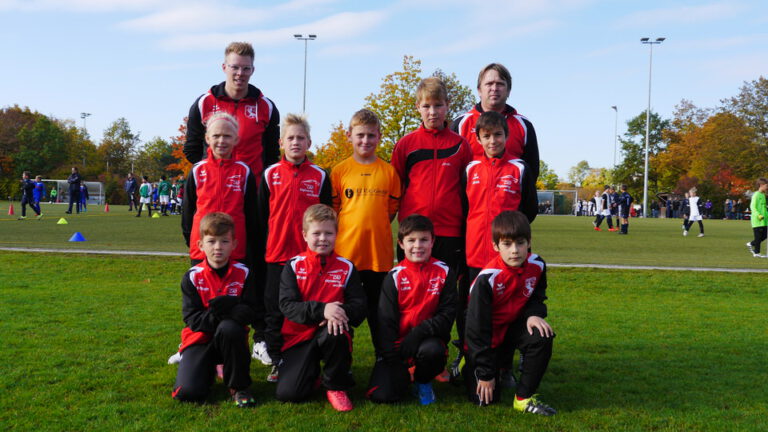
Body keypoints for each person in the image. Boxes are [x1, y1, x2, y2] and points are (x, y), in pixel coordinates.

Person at [259, 113, 332, 380]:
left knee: (307, 309)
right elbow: (260, 217)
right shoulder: (269, 174)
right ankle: (278, 361)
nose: (296, 142)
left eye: (301, 137)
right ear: (281, 142)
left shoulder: (321, 176)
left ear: (309, 142)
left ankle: (311, 357)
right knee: (275, 313)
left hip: (307, 259)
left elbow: (327, 216)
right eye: (290, 137)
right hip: (276, 256)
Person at [461, 110, 537, 366]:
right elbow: (464, 209)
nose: (492, 141)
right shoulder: (470, 169)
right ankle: (470, 360)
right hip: (474, 254)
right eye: (486, 136)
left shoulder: (519, 168)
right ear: (478, 139)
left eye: (498, 135)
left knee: (505, 313)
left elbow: (529, 209)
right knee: (473, 312)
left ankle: (503, 366)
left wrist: (513, 240)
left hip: (507, 258)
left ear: (507, 136)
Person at [463, 211, 556, 415]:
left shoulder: (538, 264)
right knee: (484, 400)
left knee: (542, 335)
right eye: (507, 244)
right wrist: (485, 373)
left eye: (520, 243)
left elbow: (537, 295)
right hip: (487, 338)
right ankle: (465, 363)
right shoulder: (487, 278)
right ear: (496, 246)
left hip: (513, 328)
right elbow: (477, 330)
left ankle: (523, 399)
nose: (515, 250)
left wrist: (534, 313)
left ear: (529, 242)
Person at [276, 204, 366, 412]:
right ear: (305, 235)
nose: (323, 239)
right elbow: (287, 306)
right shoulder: (293, 266)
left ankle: (336, 386)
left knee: (335, 332)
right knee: (290, 394)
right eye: (316, 233)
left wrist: (338, 312)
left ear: (336, 235)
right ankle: (312, 373)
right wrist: (323, 310)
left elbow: (360, 308)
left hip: (331, 333)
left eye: (328, 233)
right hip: (298, 337)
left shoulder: (347, 267)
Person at [331, 109, 401, 356]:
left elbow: (390, 212)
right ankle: (341, 362)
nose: (365, 141)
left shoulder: (389, 172)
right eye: (360, 135)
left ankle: (384, 358)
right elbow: (334, 211)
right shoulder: (339, 171)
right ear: (349, 135)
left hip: (377, 257)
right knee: (343, 312)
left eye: (371, 135)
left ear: (379, 137)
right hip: (346, 256)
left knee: (378, 313)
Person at [171, 212, 259, 407]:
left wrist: (233, 306)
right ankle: (206, 368)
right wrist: (221, 312)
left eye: (224, 241)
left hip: (231, 341)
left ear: (234, 244)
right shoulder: (192, 277)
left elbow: (252, 312)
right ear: (201, 245)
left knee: (230, 328)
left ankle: (239, 387)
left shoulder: (244, 273)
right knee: (188, 393)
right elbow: (192, 320)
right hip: (199, 340)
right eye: (211, 241)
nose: (218, 247)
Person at [367, 214, 457, 405]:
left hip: (427, 342)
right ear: (401, 243)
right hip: (399, 347)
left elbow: (447, 315)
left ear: (433, 241)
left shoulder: (445, 272)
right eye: (411, 240)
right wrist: (393, 359)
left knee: (433, 351)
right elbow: (385, 321)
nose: (418, 246)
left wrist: (420, 332)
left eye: (424, 239)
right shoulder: (394, 276)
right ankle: (405, 372)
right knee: (383, 396)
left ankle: (423, 382)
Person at [391, 77, 472, 274]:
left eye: (438, 105)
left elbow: (467, 190)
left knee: (446, 291)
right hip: (413, 232)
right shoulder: (405, 144)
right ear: (418, 106)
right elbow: (396, 187)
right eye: (426, 106)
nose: (433, 112)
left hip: (450, 231)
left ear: (447, 106)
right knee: (410, 289)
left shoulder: (461, 145)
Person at [184, 41, 279, 182]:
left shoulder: (266, 106)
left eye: (246, 68)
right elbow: (191, 149)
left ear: (253, 70)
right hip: (213, 188)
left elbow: (272, 153)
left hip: (253, 192)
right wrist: (211, 172)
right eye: (235, 67)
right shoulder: (204, 103)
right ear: (224, 67)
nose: (240, 73)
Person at [181, 112, 258, 268]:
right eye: (216, 136)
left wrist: (247, 244)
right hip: (202, 249)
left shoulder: (244, 171)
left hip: (235, 250)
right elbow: (188, 210)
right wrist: (193, 239)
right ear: (207, 138)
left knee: (234, 291)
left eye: (227, 136)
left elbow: (251, 214)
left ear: (236, 139)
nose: (221, 141)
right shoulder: (197, 170)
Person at [452, 63, 539, 180]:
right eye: (489, 84)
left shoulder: (524, 125)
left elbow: (531, 171)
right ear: (479, 90)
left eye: (500, 84)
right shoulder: (460, 124)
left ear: (508, 91)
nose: (494, 88)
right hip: (472, 197)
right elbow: (452, 170)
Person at [747, 178, 768, 257]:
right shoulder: (756, 195)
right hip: (757, 220)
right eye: (766, 186)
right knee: (758, 237)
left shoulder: (763, 195)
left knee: (765, 235)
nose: (767, 187)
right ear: (761, 185)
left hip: (764, 220)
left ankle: (751, 244)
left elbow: (764, 208)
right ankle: (756, 253)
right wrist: (758, 215)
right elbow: (753, 207)